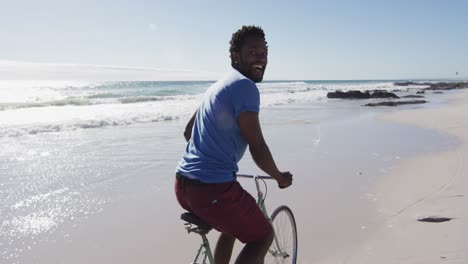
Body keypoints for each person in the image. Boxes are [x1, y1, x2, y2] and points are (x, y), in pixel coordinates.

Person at [175, 25, 293, 264]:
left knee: (231, 227)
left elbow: (189, 132)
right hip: (211, 190)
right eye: (253, 52)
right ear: (235, 56)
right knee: (262, 236)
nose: (261, 58)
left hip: (182, 186)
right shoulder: (245, 87)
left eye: (264, 52)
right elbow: (257, 147)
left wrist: (213, 157)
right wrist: (279, 177)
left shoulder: (218, 86)